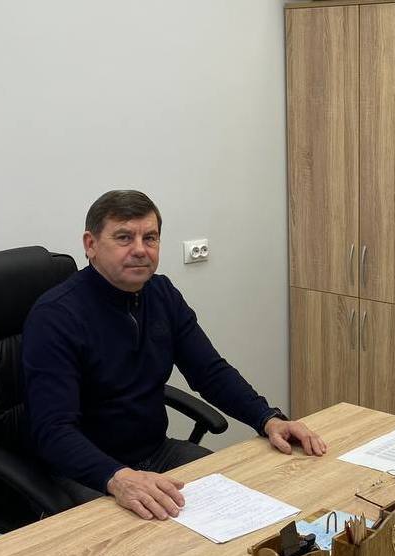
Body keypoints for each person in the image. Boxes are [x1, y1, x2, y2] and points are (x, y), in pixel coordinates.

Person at [23, 189, 326, 521]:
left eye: (150, 238)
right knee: (145, 542)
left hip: (157, 453)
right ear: (90, 244)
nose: (140, 249)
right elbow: (54, 431)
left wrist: (268, 419)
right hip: (86, 472)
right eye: (124, 237)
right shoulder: (55, 316)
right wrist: (118, 478)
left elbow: (210, 372)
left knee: (246, 505)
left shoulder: (161, 293)